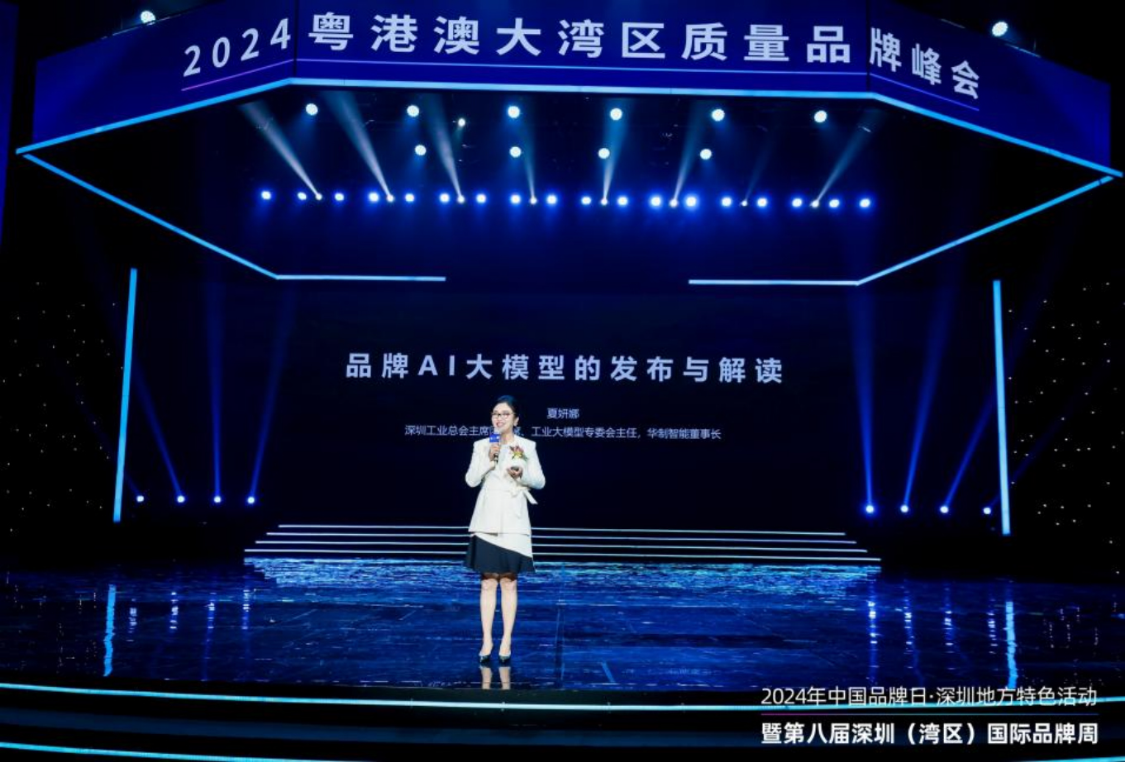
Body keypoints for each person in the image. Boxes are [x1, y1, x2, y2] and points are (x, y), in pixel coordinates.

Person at [464, 395, 545, 665]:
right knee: (487, 582)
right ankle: (487, 639)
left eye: (505, 414)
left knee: (509, 582)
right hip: (486, 519)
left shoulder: (527, 446)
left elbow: (540, 481)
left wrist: (521, 475)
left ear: (516, 419)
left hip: (513, 519)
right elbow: (471, 480)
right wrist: (489, 459)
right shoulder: (481, 445)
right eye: (495, 414)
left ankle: (507, 639)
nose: (499, 418)